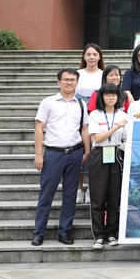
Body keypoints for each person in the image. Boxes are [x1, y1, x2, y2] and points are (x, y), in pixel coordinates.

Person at [32, 69, 89, 247]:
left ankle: (64, 232)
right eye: (66, 79)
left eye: (73, 80)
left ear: (77, 83)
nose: (69, 82)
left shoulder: (81, 104)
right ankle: (39, 232)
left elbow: (84, 129)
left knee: (70, 195)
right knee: (46, 194)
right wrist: (39, 154)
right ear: (58, 82)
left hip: (75, 153)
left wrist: (87, 151)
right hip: (53, 154)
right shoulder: (48, 102)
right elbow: (39, 127)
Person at [87, 82, 127, 249]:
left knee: (114, 196)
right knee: (98, 196)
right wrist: (116, 127)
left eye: (114, 94)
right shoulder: (95, 115)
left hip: (117, 154)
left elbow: (126, 138)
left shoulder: (122, 114)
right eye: (107, 94)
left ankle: (111, 233)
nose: (111, 97)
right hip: (100, 154)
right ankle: (98, 235)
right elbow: (97, 138)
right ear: (101, 97)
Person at [75, 43, 104, 203]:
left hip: (97, 115)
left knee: (94, 151)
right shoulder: (77, 74)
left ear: (99, 57)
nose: (92, 57)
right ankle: (79, 189)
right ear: (84, 56)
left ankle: (90, 187)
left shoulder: (103, 74)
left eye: (95, 54)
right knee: (80, 150)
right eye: (89, 54)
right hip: (79, 115)